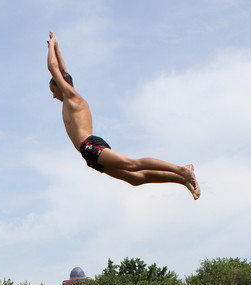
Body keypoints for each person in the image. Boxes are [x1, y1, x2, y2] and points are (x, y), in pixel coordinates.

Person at [47, 32, 200, 199]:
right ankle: (181, 179)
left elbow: (54, 68)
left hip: (90, 145)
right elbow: (63, 70)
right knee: (134, 179)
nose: (53, 95)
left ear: (61, 85)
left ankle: (181, 170)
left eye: (53, 90)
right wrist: (56, 47)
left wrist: (52, 46)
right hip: (87, 153)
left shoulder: (71, 96)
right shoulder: (68, 98)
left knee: (132, 164)